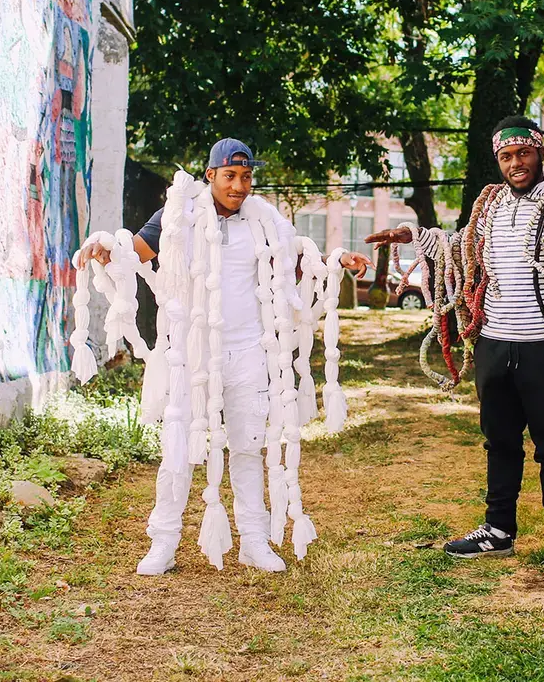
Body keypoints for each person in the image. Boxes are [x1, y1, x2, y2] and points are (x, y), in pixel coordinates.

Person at [79, 139, 370, 575]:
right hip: (192, 353)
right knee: (177, 448)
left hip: (250, 350)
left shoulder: (264, 221)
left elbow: (296, 257)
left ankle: (254, 541)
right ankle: (164, 543)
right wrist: (107, 251)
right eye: (230, 176)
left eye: (246, 177)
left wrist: (338, 259)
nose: (239, 186)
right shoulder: (180, 216)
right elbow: (135, 252)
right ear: (210, 175)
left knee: (250, 446)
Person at [367, 116, 544, 584]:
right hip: (494, 345)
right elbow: (462, 247)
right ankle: (499, 529)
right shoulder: (491, 205)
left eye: (523, 153)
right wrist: (415, 235)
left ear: (539, 152)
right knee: (500, 442)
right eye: (506, 157)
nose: (515, 163)